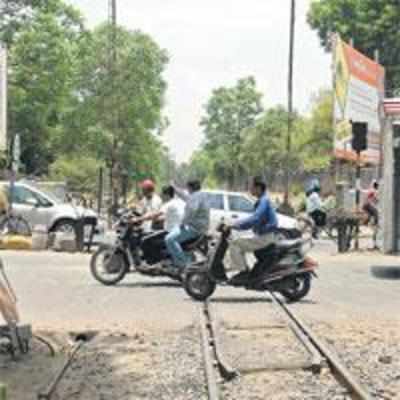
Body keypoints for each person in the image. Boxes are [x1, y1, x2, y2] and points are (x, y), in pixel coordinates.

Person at [226, 177, 278, 284]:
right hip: (263, 236)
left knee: (235, 244)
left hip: (264, 237)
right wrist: (237, 225)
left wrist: (235, 225)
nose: (250, 189)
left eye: (251, 186)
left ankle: (243, 272)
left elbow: (255, 218)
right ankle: (244, 270)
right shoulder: (262, 200)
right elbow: (252, 220)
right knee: (238, 240)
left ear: (258, 188)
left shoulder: (264, 201)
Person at [165, 180, 210, 271]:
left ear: (190, 188)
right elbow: (184, 196)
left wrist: (183, 223)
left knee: (169, 239)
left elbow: (192, 210)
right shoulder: (200, 195)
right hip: (199, 227)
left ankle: (183, 263)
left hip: (194, 228)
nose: (186, 190)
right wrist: (174, 187)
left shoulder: (196, 196)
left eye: (187, 188)